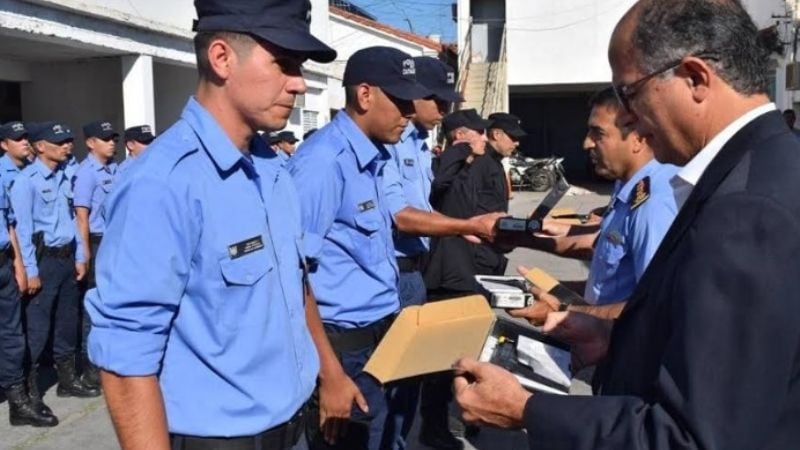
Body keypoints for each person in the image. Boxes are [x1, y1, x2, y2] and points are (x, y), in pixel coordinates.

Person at [453, 1, 800, 449]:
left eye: (629, 93)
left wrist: (525, 408)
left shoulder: (746, 210)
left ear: (694, 78)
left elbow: (693, 438)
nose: (629, 118)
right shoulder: (766, 165)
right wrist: (618, 337)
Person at [85, 0, 336, 448]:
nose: (299, 84)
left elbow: (297, 285)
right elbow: (126, 352)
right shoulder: (163, 182)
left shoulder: (271, 169)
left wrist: (330, 374)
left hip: (295, 422)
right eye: (284, 64)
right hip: (220, 439)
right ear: (221, 58)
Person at [287, 46, 430, 450]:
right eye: (401, 102)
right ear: (365, 95)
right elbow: (293, 275)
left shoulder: (370, 158)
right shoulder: (323, 164)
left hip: (377, 342)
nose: (411, 113)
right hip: (342, 351)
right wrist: (330, 374)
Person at [379, 56, 500, 450]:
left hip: (416, 271)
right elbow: (402, 215)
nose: (444, 111)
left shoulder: (414, 143)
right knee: (386, 385)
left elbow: (426, 206)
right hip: (395, 272)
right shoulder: (392, 146)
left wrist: (461, 231)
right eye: (438, 102)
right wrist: (465, 226)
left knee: (410, 382)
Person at [511, 87, 679, 324]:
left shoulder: (654, 204)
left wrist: (562, 310)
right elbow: (610, 283)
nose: (586, 144)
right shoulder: (628, 187)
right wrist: (556, 291)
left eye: (598, 134)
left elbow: (654, 308)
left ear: (638, 138)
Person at [10, 122, 96, 424]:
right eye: (57, 142)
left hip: (66, 258)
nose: (65, 146)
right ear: (40, 146)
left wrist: (81, 256)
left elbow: (73, 219)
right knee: (37, 329)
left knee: (66, 323)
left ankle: (67, 380)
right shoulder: (26, 182)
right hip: (43, 262)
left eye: (66, 141)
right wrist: (31, 271)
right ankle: (29, 392)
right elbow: (22, 231)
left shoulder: (63, 177)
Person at [0, 122, 56, 427]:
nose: (24, 142)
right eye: (16, 138)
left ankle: (18, 403)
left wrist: (19, 265)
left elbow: (11, 223)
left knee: (12, 336)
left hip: (5, 263)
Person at [72, 120, 119, 389]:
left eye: (113, 137)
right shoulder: (86, 172)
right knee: (94, 306)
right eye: (105, 138)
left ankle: (105, 362)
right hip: (96, 241)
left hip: (112, 240)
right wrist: (85, 251)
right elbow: (82, 216)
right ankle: (90, 369)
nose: (111, 142)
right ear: (91, 143)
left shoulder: (113, 168)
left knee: (111, 302)